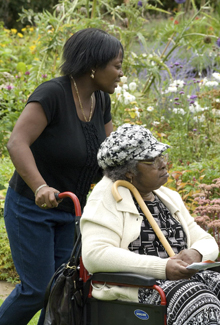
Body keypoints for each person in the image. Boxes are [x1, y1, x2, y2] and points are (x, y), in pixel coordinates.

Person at [0, 28, 124, 325]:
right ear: (94, 66)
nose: (121, 74)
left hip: (71, 211)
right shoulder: (52, 94)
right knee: (37, 289)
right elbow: (17, 142)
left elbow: (109, 157)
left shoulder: (101, 101)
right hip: (32, 209)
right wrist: (40, 186)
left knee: (61, 290)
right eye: (117, 66)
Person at [81, 123, 220, 325]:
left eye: (161, 156)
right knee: (197, 299)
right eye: (151, 160)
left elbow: (206, 239)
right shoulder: (105, 197)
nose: (162, 164)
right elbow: (95, 255)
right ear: (128, 171)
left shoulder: (167, 196)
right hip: (138, 288)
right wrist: (162, 267)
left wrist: (195, 253)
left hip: (179, 281)